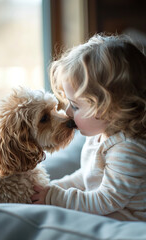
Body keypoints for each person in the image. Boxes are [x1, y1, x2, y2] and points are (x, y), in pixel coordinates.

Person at [31, 33, 146, 221]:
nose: (67, 111)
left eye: (75, 106)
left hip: (129, 224)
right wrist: (53, 188)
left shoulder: (127, 150)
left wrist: (55, 197)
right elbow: (87, 176)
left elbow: (105, 200)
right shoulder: (99, 134)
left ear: (109, 109)